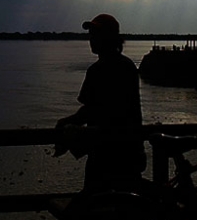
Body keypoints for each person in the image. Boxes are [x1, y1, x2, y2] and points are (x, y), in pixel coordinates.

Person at [55, 13, 146, 193]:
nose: (92, 39)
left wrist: (66, 123)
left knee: (96, 205)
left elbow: (91, 111)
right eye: (91, 35)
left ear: (110, 38)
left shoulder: (98, 70)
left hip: (105, 155)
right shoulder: (128, 67)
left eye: (96, 35)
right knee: (128, 208)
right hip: (131, 152)